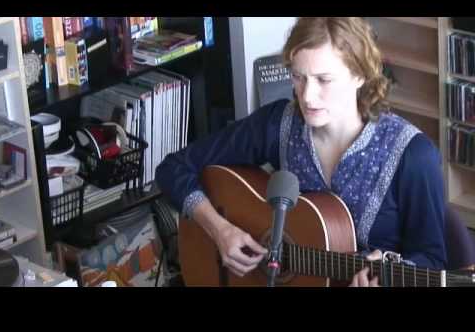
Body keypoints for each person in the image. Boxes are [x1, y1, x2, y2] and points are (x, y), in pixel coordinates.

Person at [155, 17, 447, 287]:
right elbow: (173, 168)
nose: (306, 96)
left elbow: (433, 262)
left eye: (324, 80)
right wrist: (219, 229)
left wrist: (388, 278)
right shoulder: (278, 125)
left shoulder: (413, 155)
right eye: (298, 77)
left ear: (361, 76)